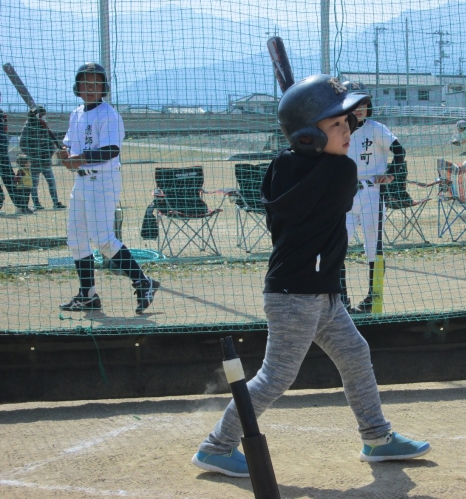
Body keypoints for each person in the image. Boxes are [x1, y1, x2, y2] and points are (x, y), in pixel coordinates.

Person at [191, 74, 431, 478]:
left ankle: (377, 437)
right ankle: (216, 446)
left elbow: (303, 176)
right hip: (297, 293)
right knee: (276, 376)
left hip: (318, 290)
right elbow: (325, 184)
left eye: (347, 121)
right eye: (336, 124)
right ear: (307, 136)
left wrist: (314, 139)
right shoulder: (340, 172)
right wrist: (315, 146)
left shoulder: (284, 166)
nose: (348, 129)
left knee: (354, 354)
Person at [56, 62, 160, 313]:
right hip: (82, 181)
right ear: (77, 88)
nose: (90, 88)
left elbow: (111, 150)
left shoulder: (109, 114)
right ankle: (88, 295)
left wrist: (79, 159)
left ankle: (143, 281)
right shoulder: (76, 113)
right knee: (76, 238)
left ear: (104, 87)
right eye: (85, 84)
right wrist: (65, 154)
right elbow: (69, 144)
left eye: (96, 83)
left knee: (103, 239)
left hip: (103, 180)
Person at [341, 80, 404, 314]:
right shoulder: (339, 128)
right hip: (345, 194)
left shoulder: (376, 128)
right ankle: (342, 300)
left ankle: (373, 299)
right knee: (337, 246)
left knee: (373, 247)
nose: (359, 108)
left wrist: (391, 173)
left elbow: (399, 151)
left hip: (371, 193)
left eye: (364, 103)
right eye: (354, 103)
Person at [19, 106, 66, 210]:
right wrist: (32, 154)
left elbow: (50, 141)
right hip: (34, 161)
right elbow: (22, 144)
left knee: (51, 182)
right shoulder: (28, 127)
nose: (45, 116)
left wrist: (50, 153)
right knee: (34, 184)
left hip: (45, 160)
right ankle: (36, 204)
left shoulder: (44, 125)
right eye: (43, 114)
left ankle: (56, 202)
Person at [0, 99, 19, 212]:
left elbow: (5, 130)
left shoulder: (2, 113)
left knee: (9, 177)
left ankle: (20, 204)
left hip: (2, 150)